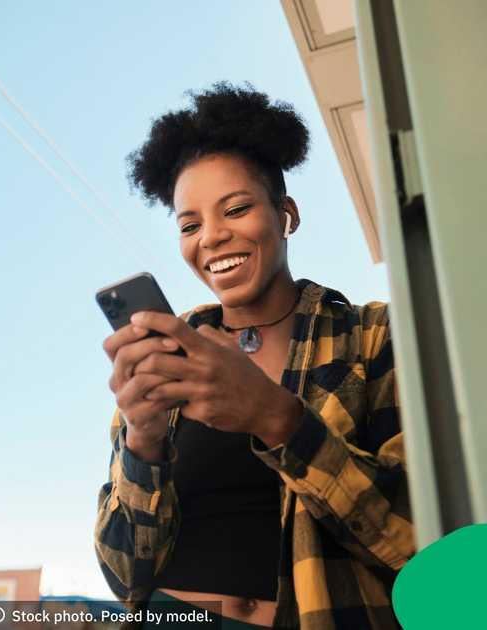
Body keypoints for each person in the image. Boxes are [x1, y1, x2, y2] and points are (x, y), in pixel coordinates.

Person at [94, 83, 413, 629]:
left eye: (236, 209)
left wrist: (275, 418)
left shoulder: (375, 335)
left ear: (286, 213)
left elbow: (414, 539)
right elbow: (126, 575)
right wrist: (142, 440)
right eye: (190, 225)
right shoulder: (168, 359)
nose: (213, 237)